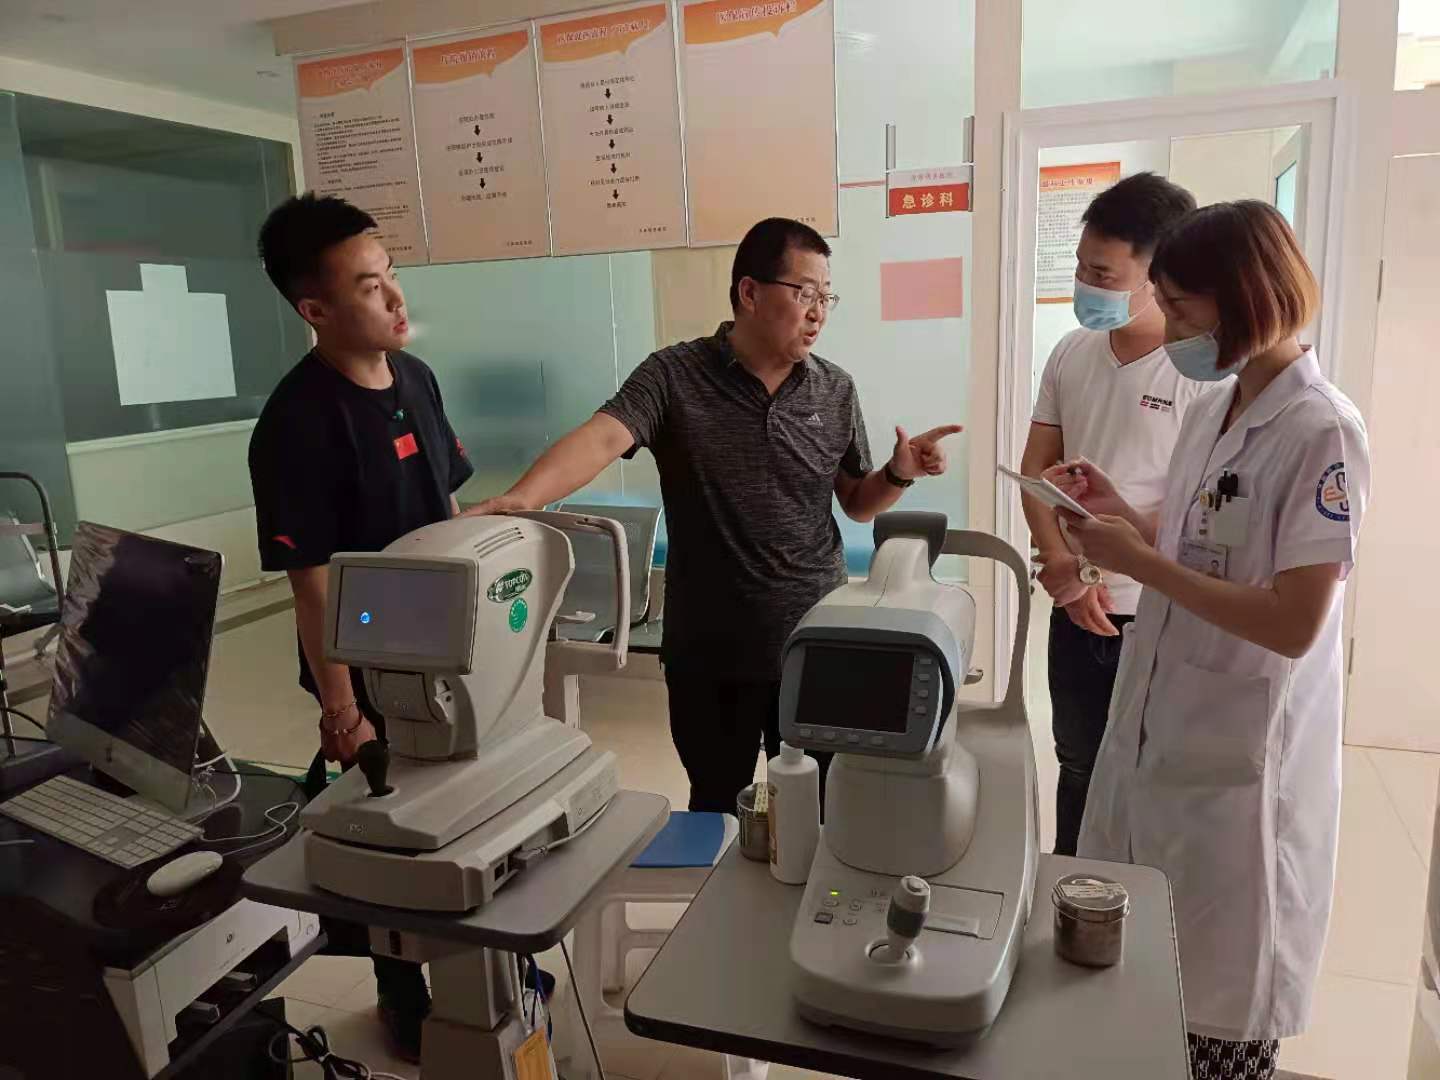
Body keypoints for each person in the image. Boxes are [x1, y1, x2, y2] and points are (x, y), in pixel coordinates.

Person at [467, 217, 960, 815]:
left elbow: (857, 501)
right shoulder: (674, 376)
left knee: (821, 806)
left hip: (815, 644)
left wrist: (899, 473)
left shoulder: (834, 390)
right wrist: (525, 497)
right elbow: (603, 438)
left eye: (826, 297)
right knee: (716, 806)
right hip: (710, 651)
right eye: (804, 292)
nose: (818, 312)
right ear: (750, 292)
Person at [1048, 200, 1370, 1078]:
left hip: (1243, 759)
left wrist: (1143, 567)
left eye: (1182, 308)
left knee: (1218, 1012)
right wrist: (1125, 515)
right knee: (1145, 990)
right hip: (1169, 722)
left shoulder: (1322, 431)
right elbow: (1200, 537)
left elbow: (1294, 620)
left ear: (1245, 297)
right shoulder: (1215, 407)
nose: (1170, 328)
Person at [248, 193, 473, 1063]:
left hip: (446, 649)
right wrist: (342, 712)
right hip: (367, 664)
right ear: (315, 309)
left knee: (458, 813)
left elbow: (443, 506)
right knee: (385, 833)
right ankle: (398, 989)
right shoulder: (298, 422)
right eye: (370, 287)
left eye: (392, 276)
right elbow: (311, 586)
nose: (395, 299)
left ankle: (472, 964)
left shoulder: (415, 378)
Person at [1020, 171, 1203, 856]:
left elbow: (1202, 520)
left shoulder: (1200, 375)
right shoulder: (1071, 353)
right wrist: (1061, 566)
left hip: (1160, 612)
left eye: (1101, 273)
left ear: (1158, 276)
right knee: (1078, 765)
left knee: (1154, 778)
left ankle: (1140, 902)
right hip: (1076, 605)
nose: (1083, 284)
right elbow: (1036, 473)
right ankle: (1071, 889)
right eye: (1080, 266)